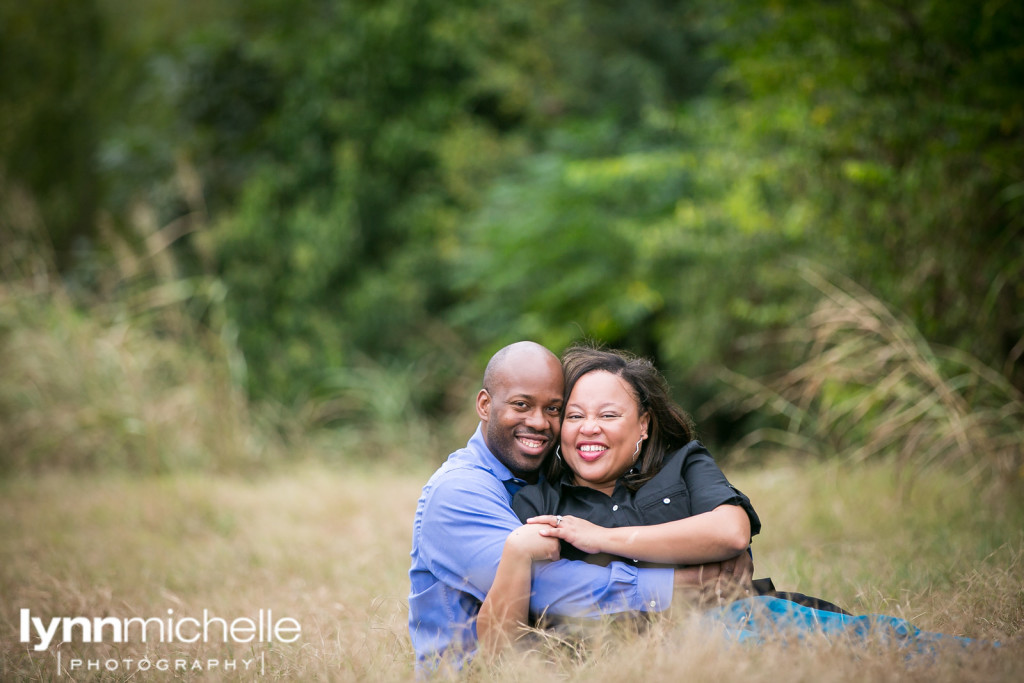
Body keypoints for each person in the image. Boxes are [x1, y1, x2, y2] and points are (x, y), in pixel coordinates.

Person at [478, 343, 974, 655]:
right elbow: (506, 634)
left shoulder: (683, 464)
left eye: (608, 415)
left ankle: (984, 655)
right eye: (575, 414)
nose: (588, 428)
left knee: (875, 638)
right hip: (648, 649)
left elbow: (731, 530)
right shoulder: (537, 501)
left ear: (644, 425)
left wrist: (605, 538)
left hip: (748, 618)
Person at [407, 341, 753, 671]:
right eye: (521, 405)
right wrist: (682, 584)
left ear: (643, 424)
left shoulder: (538, 475)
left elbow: (730, 531)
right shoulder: (459, 490)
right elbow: (544, 588)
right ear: (484, 405)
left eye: (554, 409)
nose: (541, 422)